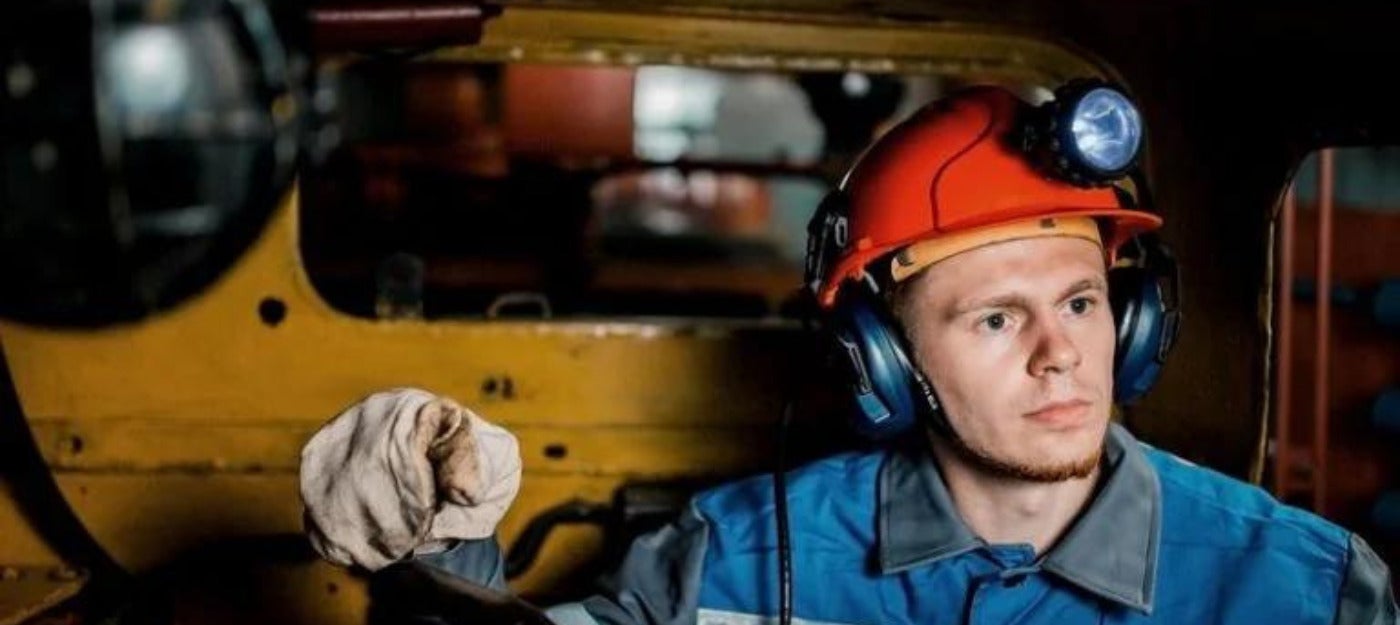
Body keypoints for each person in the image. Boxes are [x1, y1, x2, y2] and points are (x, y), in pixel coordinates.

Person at [299, 83, 1399, 625]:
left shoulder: (1304, 587)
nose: (1061, 353)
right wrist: (442, 545)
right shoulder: (729, 561)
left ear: (1137, 317)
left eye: (1078, 299)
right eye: (993, 318)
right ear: (881, 357)